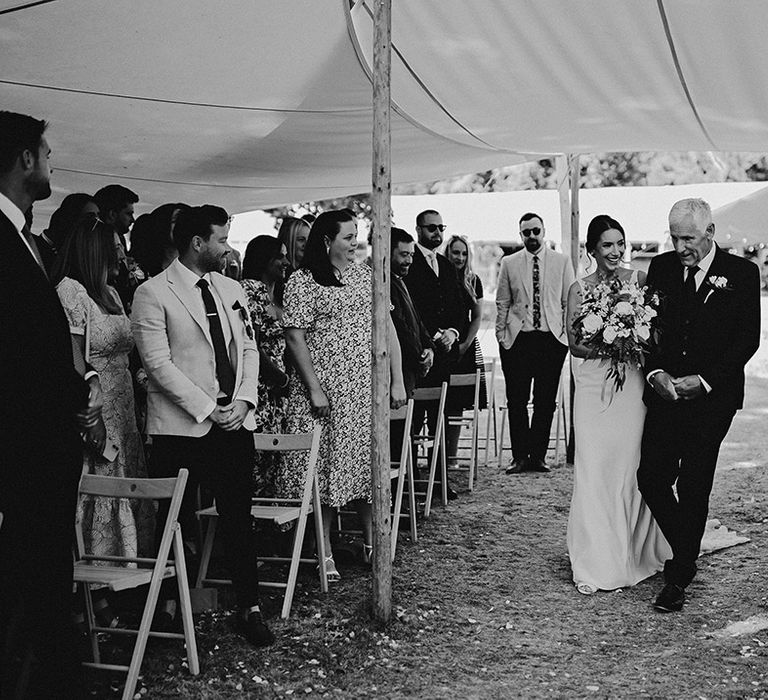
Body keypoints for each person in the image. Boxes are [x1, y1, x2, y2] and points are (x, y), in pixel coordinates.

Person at [131, 204, 274, 646]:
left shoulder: (232, 288)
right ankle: (169, 607)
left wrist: (244, 399)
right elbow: (157, 364)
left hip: (234, 422)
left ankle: (248, 607)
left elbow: (249, 349)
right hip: (181, 426)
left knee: (238, 515)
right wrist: (209, 407)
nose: (228, 248)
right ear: (198, 243)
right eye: (222, 240)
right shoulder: (152, 293)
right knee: (173, 521)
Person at [0, 110, 102, 698]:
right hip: (24, 443)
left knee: (40, 574)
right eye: (46, 151)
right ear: (24, 160)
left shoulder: (26, 240)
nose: (52, 161)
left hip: (44, 440)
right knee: (32, 573)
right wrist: (73, 396)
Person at [638, 198, 760, 613]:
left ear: (710, 233)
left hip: (713, 400)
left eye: (687, 238)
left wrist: (705, 381)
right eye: (674, 236)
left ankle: (678, 575)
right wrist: (655, 374)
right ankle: (688, 549)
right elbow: (646, 327)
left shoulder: (743, 274)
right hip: (666, 393)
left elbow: (748, 340)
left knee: (693, 483)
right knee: (651, 476)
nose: (679, 246)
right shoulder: (661, 267)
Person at [279, 210, 406, 581]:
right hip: (323, 392)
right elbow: (294, 337)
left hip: (362, 390)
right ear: (327, 240)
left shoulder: (366, 277)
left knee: (366, 467)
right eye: (349, 237)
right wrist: (315, 388)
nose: (356, 244)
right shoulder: (302, 282)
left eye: (356, 236)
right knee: (326, 471)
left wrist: (396, 380)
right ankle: (324, 551)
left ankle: (371, 543)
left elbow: (388, 331)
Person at [565, 215, 671, 595]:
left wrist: (634, 337)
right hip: (594, 389)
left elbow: (657, 330)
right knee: (593, 468)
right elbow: (574, 343)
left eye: (619, 243)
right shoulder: (579, 288)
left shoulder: (638, 281)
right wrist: (610, 345)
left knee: (628, 466)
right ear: (592, 249)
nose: (615, 251)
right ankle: (597, 557)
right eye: (607, 244)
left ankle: (632, 548)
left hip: (630, 389)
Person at [52, 215, 154, 569]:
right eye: (112, 248)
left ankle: (128, 570)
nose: (120, 255)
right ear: (92, 250)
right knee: (98, 484)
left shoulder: (110, 293)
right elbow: (73, 357)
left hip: (125, 405)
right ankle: (94, 587)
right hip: (96, 405)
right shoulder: (70, 291)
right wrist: (89, 415)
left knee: (126, 480)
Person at [495, 212, 574, 474]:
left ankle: (538, 456)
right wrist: (501, 335)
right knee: (516, 400)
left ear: (543, 231)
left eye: (536, 231)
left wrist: (564, 336)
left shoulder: (562, 262)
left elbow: (568, 302)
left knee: (545, 400)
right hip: (518, 339)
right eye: (526, 232)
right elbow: (503, 302)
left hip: (551, 339)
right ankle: (519, 457)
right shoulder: (509, 262)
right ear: (520, 235)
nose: (532, 236)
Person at [403, 210, 467, 498]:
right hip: (418, 353)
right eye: (431, 228)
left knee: (438, 417)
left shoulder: (446, 264)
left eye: (441, 227)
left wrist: (453, 332)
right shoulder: (408, 262)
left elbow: (458, 307)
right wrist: (430, 337)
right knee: (414, 420)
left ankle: (439, 481)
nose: (437, 233)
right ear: (418, 229)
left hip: (444, 356)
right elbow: (410, 309)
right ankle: (410, 480)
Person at [241, 235, 291, 496]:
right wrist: (280, 380)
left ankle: (276, 526)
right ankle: (256, 528)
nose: (286, 261)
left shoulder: (279, 293)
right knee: (259, 459)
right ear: (264, 259)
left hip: (277, 391)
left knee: (276, 461)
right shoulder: (250, 290)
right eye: (279, 257)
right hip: (261, 387)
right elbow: (252, 345)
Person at [444, 234, 488, 454]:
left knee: (456, 404)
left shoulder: (473, 280)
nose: (460, 257)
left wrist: (465, 344)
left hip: (465, 347)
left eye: (463, 253)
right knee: (438, 401)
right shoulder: (439, 277)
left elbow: (477, 317)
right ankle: (436, 457)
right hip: (442, 345)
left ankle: (451, 456)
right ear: (447, 253)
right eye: (455, 252)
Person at [94, 184, 141, 310]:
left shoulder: (120, 240)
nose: (133, 220)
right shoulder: (96, 244)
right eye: (128, 214)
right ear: (112, 214)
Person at [37, 192, 99, 274]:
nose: (95, 223)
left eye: (97, 216)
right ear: (72, 218)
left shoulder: (79, 257)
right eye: (89, 217)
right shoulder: (36, 249)